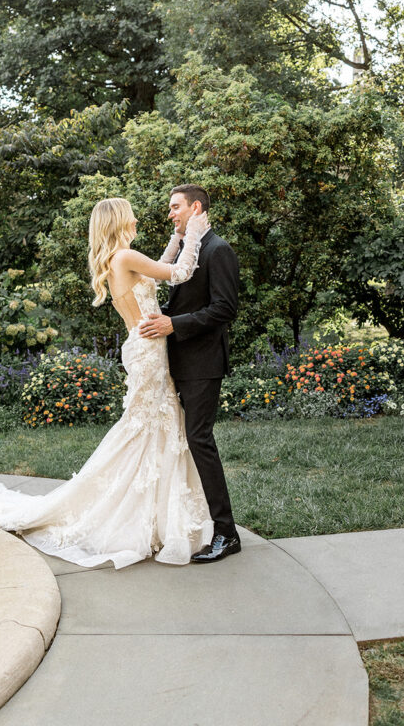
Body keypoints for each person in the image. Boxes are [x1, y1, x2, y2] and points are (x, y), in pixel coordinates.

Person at [0, 197, 215, 569]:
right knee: (144, 428)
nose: (136, 220)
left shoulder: (119, 260)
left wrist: (177, 237)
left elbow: (161, 266)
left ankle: (150, 513)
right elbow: (179, 273)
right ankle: (132, 512)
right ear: (119, 222)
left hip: (144, 348)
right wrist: (194, 233)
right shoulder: (125, 259)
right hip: (149, 352)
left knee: (149, 427)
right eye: (131, 217)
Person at [138, 184, 241, 563]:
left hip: (203, 364)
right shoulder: (187, 249)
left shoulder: (219, 250)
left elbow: (224, 310)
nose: (170, 214)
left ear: (195, 207)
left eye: (175, 207)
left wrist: (173, 324)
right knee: (183, 441)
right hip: (177, 362)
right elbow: (184, 299)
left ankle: (226, 533)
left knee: (199, 440)